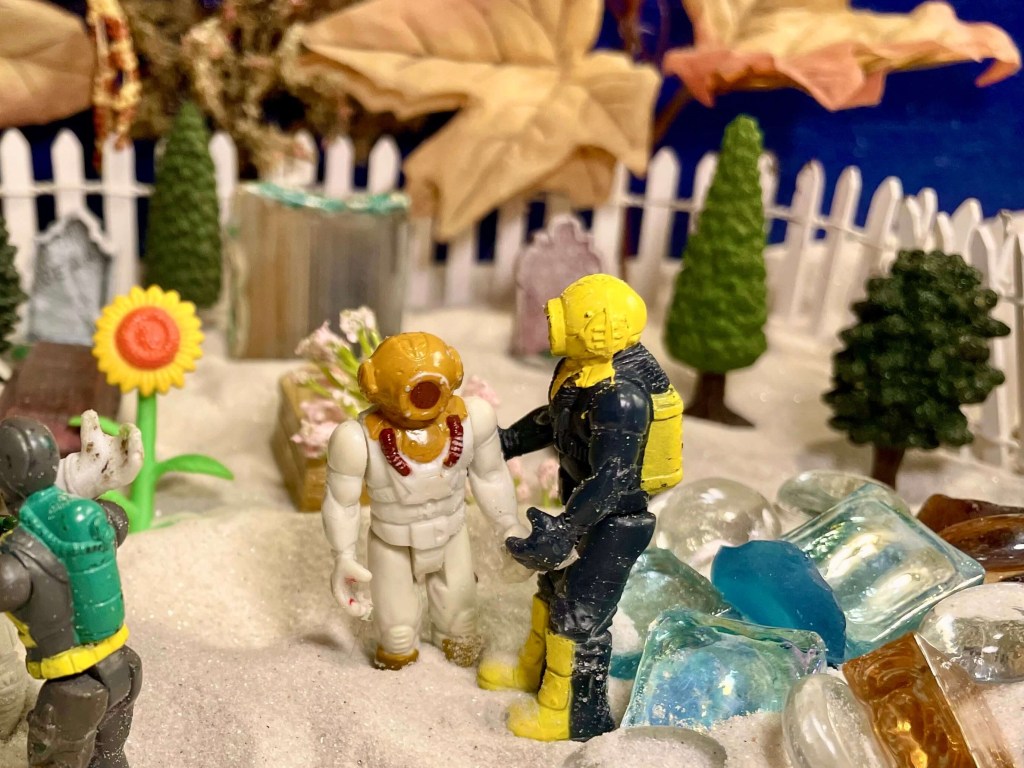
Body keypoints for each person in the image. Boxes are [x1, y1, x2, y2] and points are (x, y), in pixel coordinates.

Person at [478, 274, 682, 741]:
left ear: (598, 327)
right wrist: (506, 442)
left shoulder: (622, 398)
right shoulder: (579, 372)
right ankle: (534, 672)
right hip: (582, 506)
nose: (554, 316)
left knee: (580, 615)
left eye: (572, 310)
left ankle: (570, 715)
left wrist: (566, 529)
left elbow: (614, 478)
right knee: (553, 589)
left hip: (617, 522)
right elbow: (556, 421)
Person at [322, 332, 527, 669]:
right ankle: (399, 659)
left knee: (460, 623)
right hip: (392, 541)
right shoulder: (356, 439)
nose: (423, 394)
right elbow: (341, 502)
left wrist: (508, 524)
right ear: (373, 385)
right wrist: (343, 555)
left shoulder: (473, 419)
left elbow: (490, 474)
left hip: (452, 534)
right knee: (396, 635)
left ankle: (455, 644)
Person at [0, 412, 143, 767]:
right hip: (123, 665)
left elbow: (9, 585)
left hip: (74, 690)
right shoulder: (91, 517)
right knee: (109, 755)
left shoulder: (19, 555)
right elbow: (119, 522)